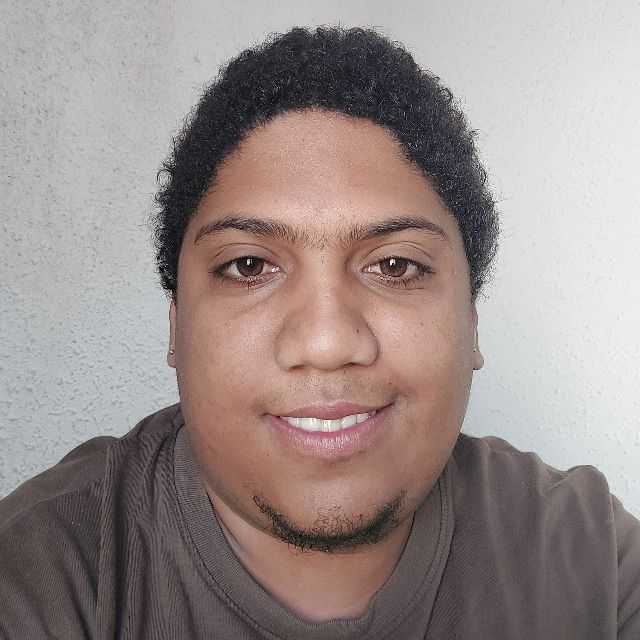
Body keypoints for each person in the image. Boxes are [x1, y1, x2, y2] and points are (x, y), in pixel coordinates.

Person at [0, 26, 638, 639]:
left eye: (396, 266)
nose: (327, 343)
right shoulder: (44, 572)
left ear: (471, 319)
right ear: (176, 325)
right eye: (249, 266)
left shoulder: (594, 565)